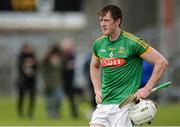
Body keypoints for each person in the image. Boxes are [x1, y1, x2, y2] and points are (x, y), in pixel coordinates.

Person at [89, 5, 168, 127]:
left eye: (106, 20)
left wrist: (147, 88)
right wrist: (97, 89)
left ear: (117, 21)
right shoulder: (98, 44)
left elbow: (161, 62)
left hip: (124, 106)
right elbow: (94, 66)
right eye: (101, 20)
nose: (102, 24)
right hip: (104, 105)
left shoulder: (132, 43)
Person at [16, 43, 38, 119]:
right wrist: (26, 65)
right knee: (21, 97)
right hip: (23, 81)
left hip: (31, 81)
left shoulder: (33, 56)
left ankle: (30, 113)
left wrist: (33, 65)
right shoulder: (21, 56)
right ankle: (20, 113)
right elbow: (20, 67)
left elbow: (37, 67)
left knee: (32, 97)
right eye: (28, 48)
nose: (29, 50)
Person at [41, 44, 63, 118]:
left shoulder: (60, 59)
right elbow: (43, 71)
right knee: (49, 99)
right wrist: (45, 81)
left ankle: (56, 112)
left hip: (57, 82)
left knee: (58, 98)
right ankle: (50, 114)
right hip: (48, 82)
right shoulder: (46, 59)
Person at [61, 37, 79, 118]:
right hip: (64, 80)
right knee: (61, 97)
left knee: (73, 98)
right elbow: (60, 67)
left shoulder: (73, 55)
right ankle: (56, 113)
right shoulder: (62, 55)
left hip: (72, 79)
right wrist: (67, 66)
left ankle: (74, 113)